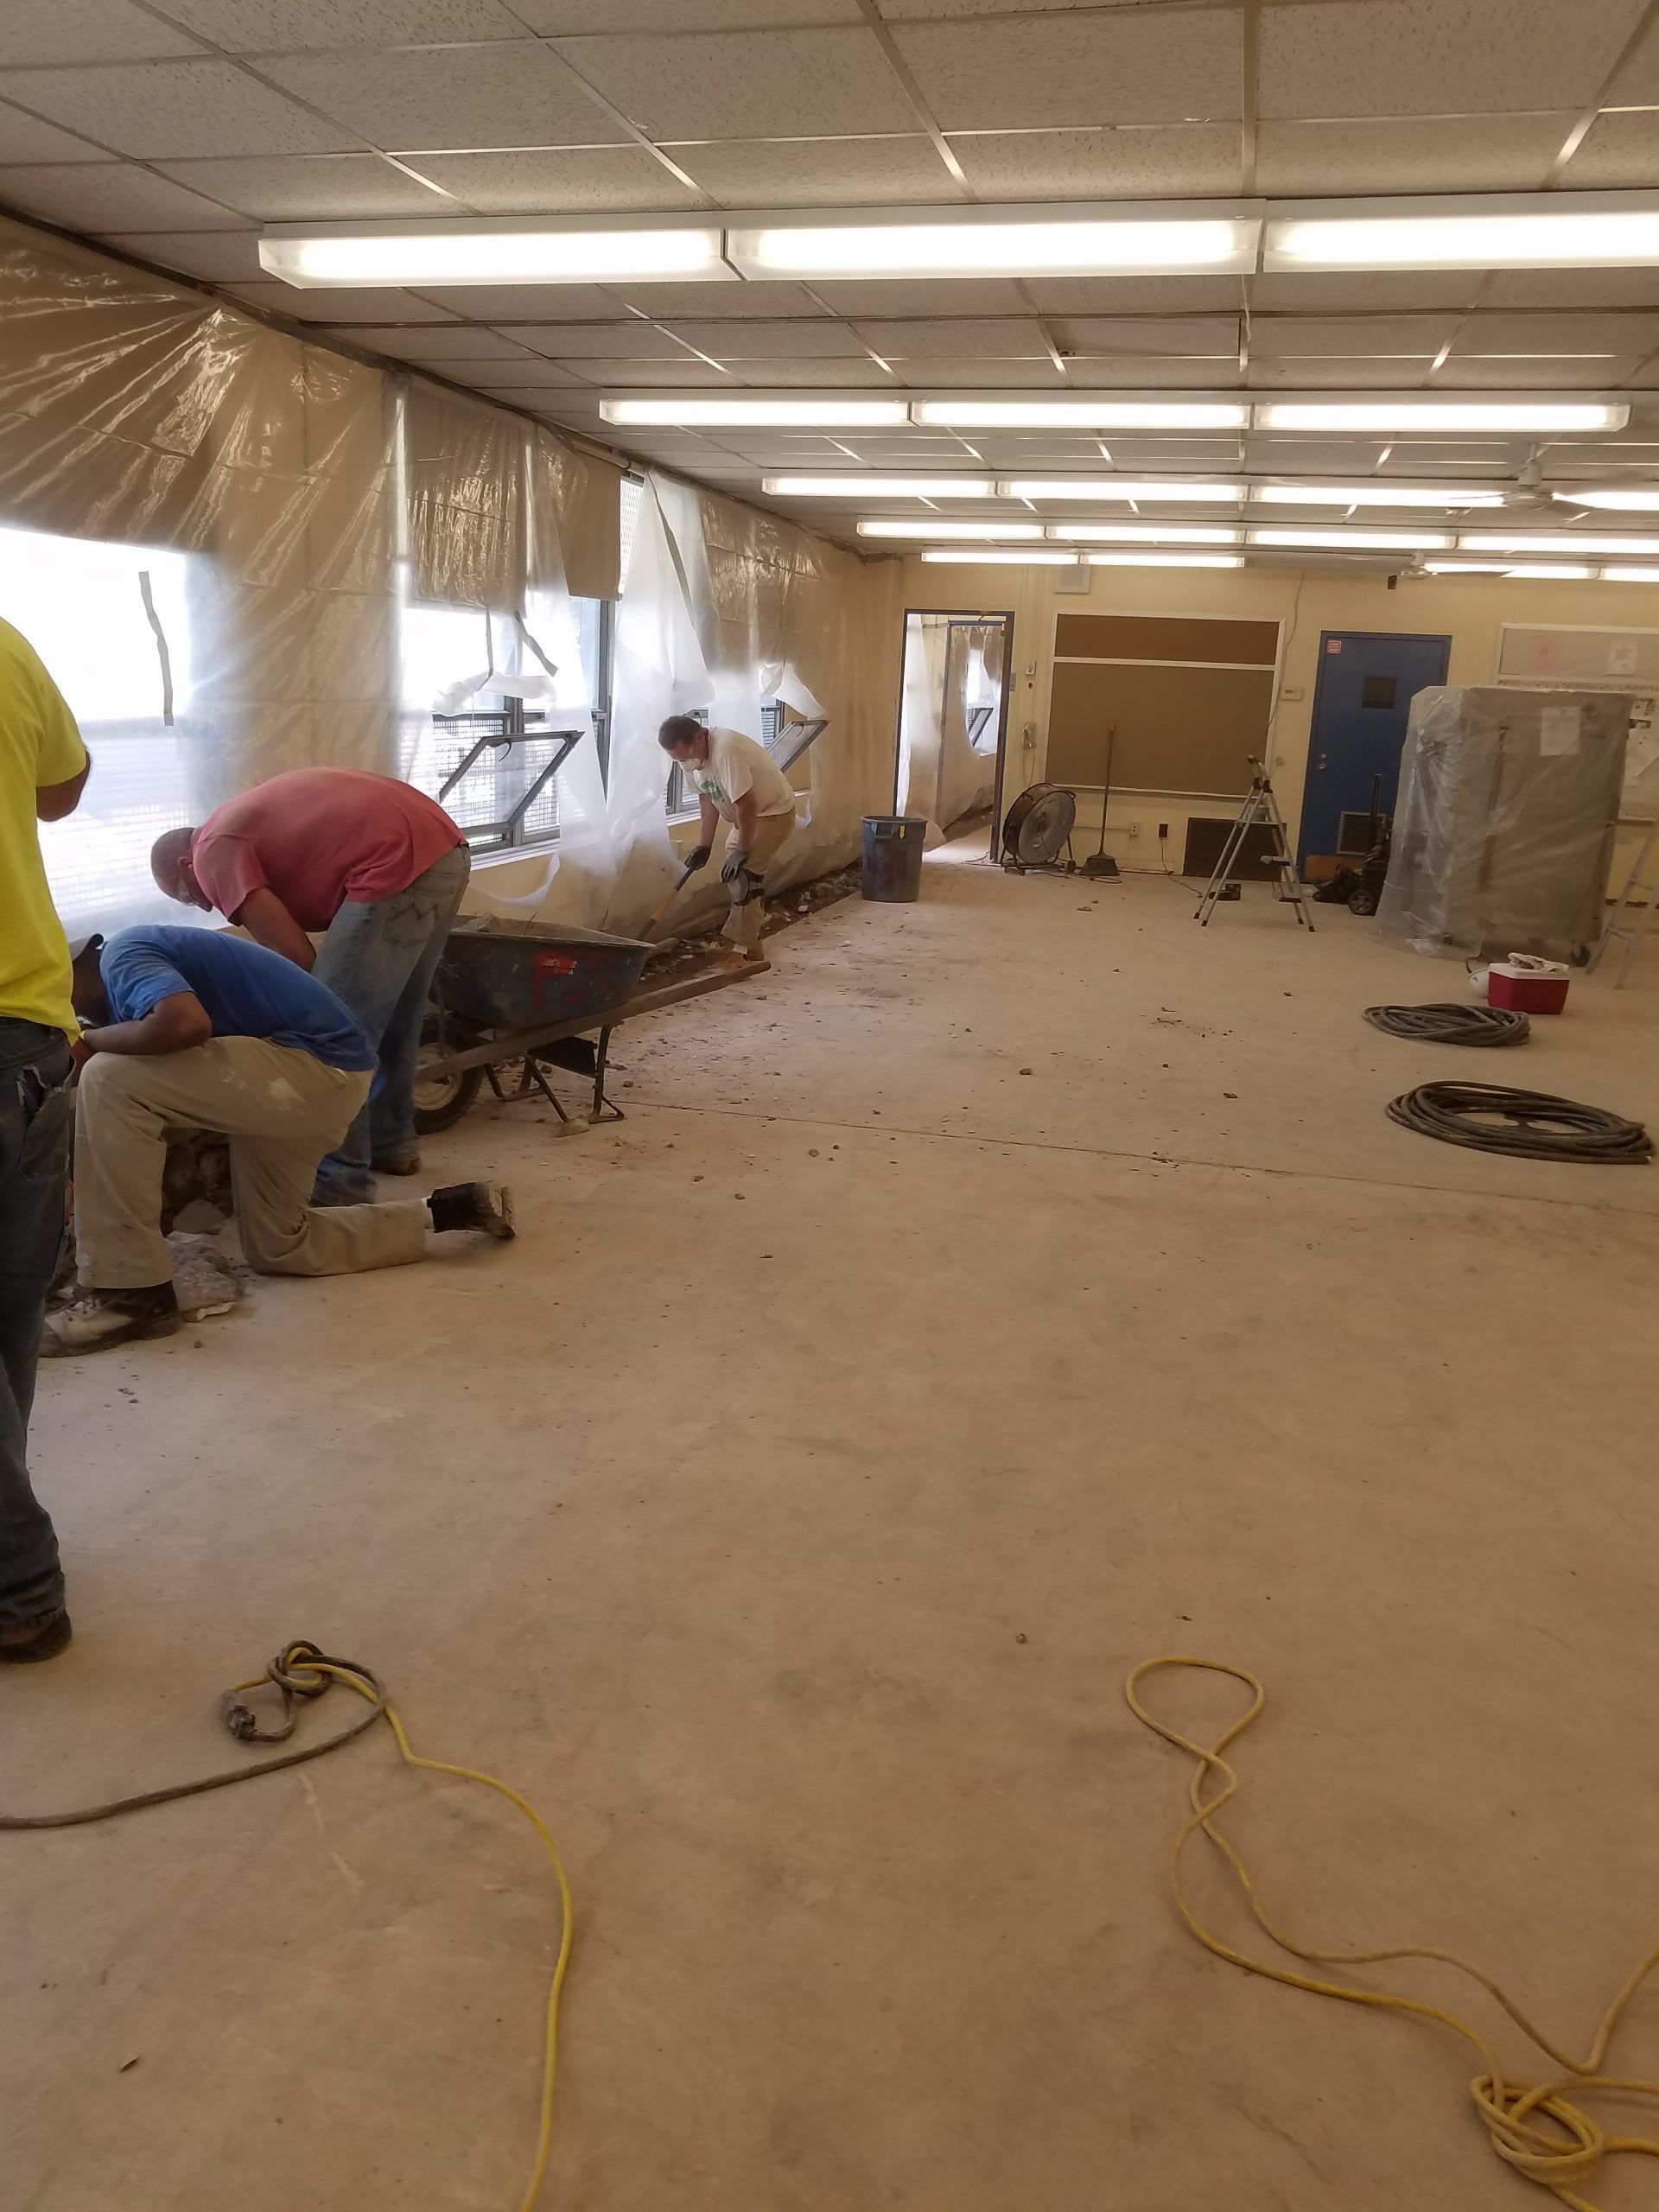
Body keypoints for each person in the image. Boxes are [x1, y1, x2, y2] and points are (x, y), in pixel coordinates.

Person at [45, 925, 514, 1358]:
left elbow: (186, 1025)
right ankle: (448, 1210)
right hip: (318, 1083)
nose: (54, 1003)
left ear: (74, 960)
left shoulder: (123, 954)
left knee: (109, 1077)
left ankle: (129, 1293)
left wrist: (89, 1045)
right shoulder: (125, 997)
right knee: (281, 1247)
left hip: (307, 1065)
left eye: (49, 984)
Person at [150, 768, 469, 1205]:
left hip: (393, 858)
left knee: (331, 1031)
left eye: (187, 895)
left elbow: (296, 958)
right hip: (441, 847)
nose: (203, 904)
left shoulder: (210, 851)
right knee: (397, 1015)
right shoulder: (234, 824)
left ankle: (340, 1178)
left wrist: (279, 1020)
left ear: (186, 865)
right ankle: (391, 1142)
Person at [0, 615, 90, 1662]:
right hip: (31, 1031)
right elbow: (62, 788)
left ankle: (20, 1582)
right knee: (6, 1320)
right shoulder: (11, 643)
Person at [658, 716, 797, 967]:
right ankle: (752, 947)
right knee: (738, 879)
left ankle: (740, 949)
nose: (684, 763)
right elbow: (707, 798)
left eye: (685, 755)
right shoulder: (689, 759)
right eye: (677, 759)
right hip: (746, 818)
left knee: (746, 877)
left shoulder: (727, 750)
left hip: (771, 813)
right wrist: (704, 845)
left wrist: (743, 849)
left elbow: (746, 804)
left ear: (700, 736)